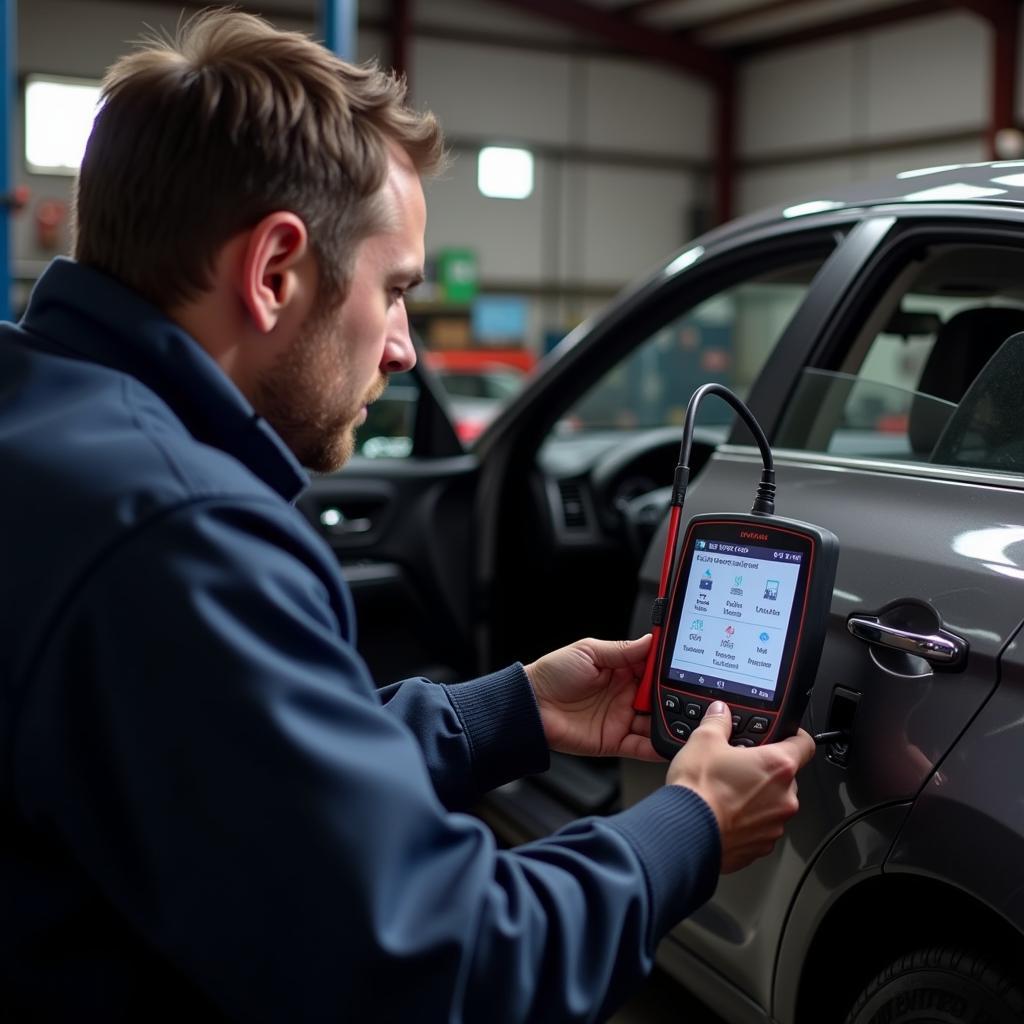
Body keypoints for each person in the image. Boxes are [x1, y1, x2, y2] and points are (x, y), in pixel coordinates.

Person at [0, 10, 815, 1022]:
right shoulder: (181, 533)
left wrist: (514, 711)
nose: (404, 350)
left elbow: (220, 761)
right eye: (393, 292)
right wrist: (690, 826)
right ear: (273, 273)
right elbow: (445, 961)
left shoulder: (48, 426)